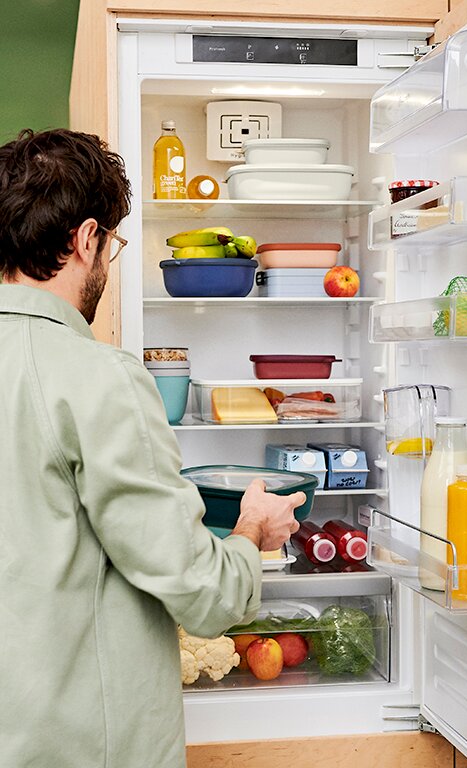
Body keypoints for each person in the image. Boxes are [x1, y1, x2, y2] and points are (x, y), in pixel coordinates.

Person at [0, 128, 305, 768]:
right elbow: (205, 594)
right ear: (86, 240)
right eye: (110, 243)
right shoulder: (97, 377)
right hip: (78, 746)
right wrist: (253, 530)